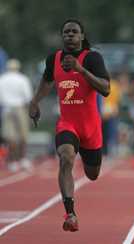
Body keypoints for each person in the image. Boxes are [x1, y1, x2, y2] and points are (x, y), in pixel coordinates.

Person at [29, 19, 110, 232]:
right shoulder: (54, 59)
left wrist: (80, 70)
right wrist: (35, 102)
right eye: (66, 32)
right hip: (68, 124)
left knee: (92, 174)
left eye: (74, 32)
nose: (70, 35)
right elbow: (46, 82)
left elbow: (106, 88)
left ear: (82, 36)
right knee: (65, 158)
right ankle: (70, 213)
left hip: (91, 128)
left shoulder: (92, 58)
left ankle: (87, 162)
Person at [0, 59, 33, 172]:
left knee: (10, 136)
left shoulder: (2, 79)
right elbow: (28, 97)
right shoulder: (22, 79)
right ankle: (22, 159)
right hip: (20, 108)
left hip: (7, 108)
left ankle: (13, 161)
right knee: (23, 135)